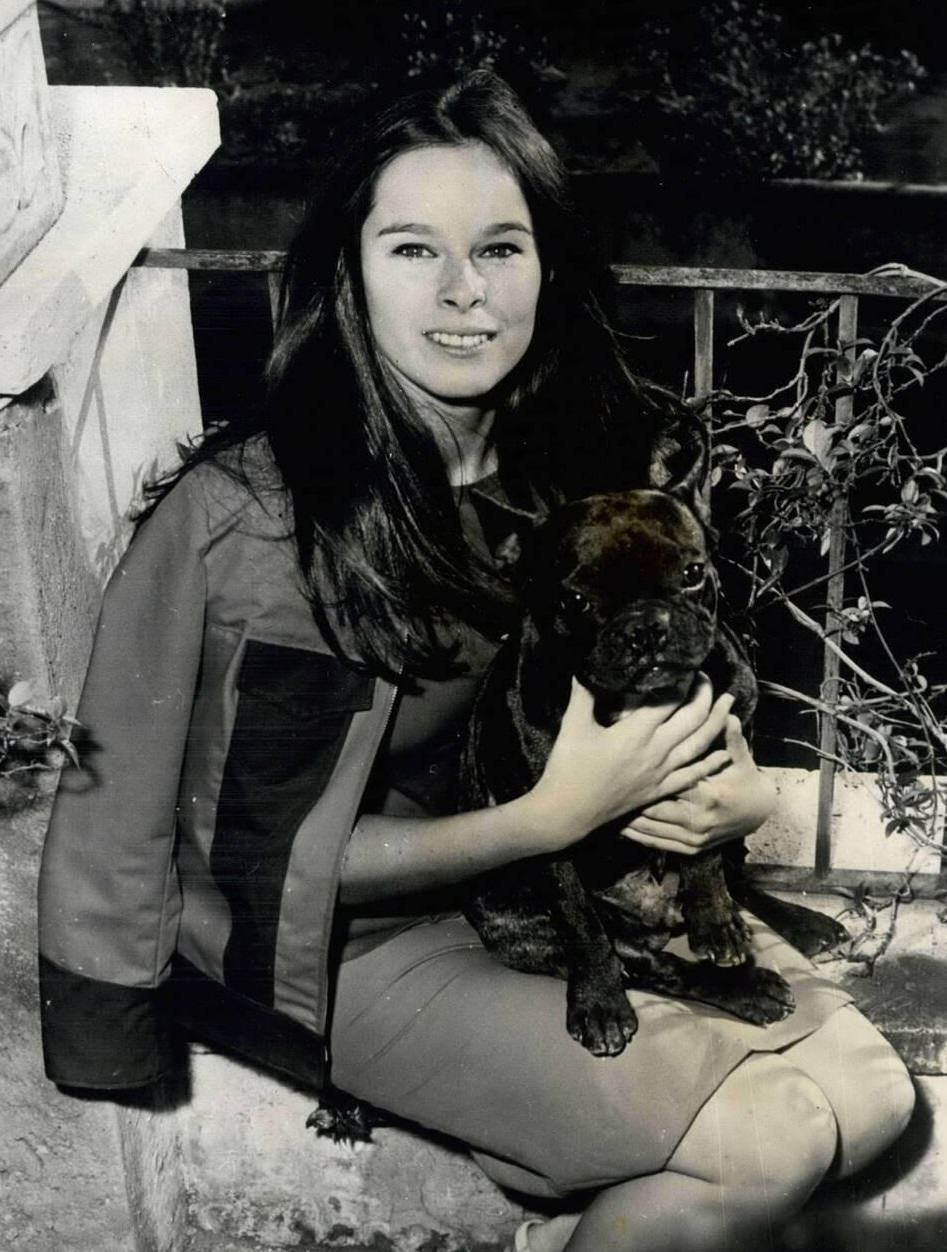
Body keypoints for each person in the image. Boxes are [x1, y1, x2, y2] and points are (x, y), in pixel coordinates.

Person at [38, 72, 914, 1252]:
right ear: (349, 270)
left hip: (533, 892)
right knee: (767, 1136)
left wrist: (734, 795)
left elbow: (656, 684)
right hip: (331, 938)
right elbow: (245, 848)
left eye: (498, 247)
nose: (463, 291)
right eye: (412, 249)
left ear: (546, 265)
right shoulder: (256, 519)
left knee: (872, 1098)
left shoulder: (561, 467)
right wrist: (552, 817)